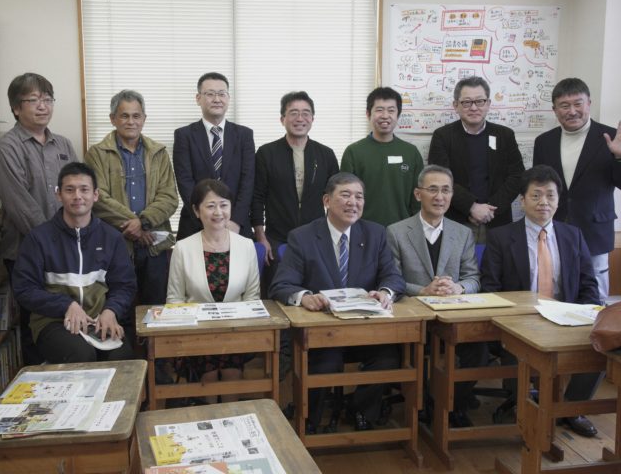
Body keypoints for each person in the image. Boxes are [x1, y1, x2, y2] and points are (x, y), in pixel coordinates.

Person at [270, 172, 405, 434]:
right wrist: (304, 297)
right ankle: (311, 418)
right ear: (326, 200)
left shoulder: (375, 233)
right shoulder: (303, 236)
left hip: (364, 330)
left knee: (388, 357)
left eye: (359, 196)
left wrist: (386, 292)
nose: (353, 202)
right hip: (323, 332)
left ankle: (359, 409)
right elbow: (281, 285)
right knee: (325, 362)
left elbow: (393, 276)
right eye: (345, 195)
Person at [481, 165, 602, 437]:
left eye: (550, 195)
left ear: (559, 201)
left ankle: (571, 408)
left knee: (602, 343)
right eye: (535, 195)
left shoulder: (573, 235)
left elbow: (588, 285)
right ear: (522, 201)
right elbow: (490, 288)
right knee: (516, 350)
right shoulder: (500, 237)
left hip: (567, 319)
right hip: (520, 323)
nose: (543, 202)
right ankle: (524, 404)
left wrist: (588, 315)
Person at [0, 72, 78, 365]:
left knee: (68, 322)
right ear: (16, 107)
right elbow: (21, 207)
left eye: (47, 99)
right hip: (28, 253)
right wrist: (55, 244)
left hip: (68, 248)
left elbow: (79, 190)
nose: (43, 106)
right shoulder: (7, 148)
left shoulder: (63, 144)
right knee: (36, 325)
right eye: (33, 100)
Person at [11, 162, 137, 364]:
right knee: (81, 355)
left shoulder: (112, 238)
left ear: (95, 195)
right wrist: (66, 305)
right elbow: (24, 289)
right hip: (53, 321)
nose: (77, 196)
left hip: (99, 319)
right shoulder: (38, 239)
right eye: (70, 190)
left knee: (121, 358)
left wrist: (111, 310)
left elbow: (125, 285)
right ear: (58, 194)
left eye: (84, 189)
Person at [386, 164, 481, 427]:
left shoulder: (463, 233)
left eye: (446, 190)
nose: (440, 197)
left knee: (479, 350)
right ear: (418, 194)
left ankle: (453, 404)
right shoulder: (396, 231)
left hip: (453, 316)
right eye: (433, 190)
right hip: (413, 317)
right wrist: (423, 291)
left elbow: (473, 278)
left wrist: (458, 288)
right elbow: (390, 280)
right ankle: (423, 404)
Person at [533, 77, 621, 303]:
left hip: (595, 231)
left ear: (589, 103)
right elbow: (538, 184)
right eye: (564, 105)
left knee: (595, 298)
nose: (572, 111)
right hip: (555, 229)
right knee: (556, 290)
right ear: (555, 109)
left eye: (578, 103)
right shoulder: (544, 141)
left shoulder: (611, 137)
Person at [166, 179, 260, 402]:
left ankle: (232, 422)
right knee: (207, 373)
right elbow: (175, 299)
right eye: (210, 206)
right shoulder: (182, 248)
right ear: (197, 211)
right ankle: (208, 418)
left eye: (224, 205)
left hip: (235, 330)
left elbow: (252, 297)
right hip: (197, 332)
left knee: (231, 372)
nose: (218, 212)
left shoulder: (246, 245)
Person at [85, 89, 178, 306]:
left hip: (154, 244)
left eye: (136, 116)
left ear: (144, 119)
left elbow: (169, 196)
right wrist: (136, 228)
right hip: (115, 243)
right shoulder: (97, 153)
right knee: (118, 306)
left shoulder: (159, 152)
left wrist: (143, 222)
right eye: (124, 116)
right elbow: (99, 199)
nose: (131, 122)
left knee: (156, 307)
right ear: (113, 119)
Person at [252, 91, 339, 290]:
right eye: (293, 113)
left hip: (316, 237)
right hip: (276, 238)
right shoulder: (267, 153)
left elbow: (335, 199)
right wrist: (261, 237)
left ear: (313, 119)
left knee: (317, 292)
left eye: (306, 113)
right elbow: (257, 197)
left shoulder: (325, 154)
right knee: (279, 291)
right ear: (282, 118)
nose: (300, 118)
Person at [428, 76, 524, 242]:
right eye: (466, 102)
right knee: (455, 267)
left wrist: (489, 210)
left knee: (497, 267)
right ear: (456, 106)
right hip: (457, 219)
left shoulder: (505, 135)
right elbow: (439, 178)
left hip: (497, 219)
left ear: (488, 104)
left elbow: (517, 176)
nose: (474, 107)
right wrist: (471, 207)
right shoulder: (443, 136)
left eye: (480, 101)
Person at [173, 72, 255, 240]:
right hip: (195, 225)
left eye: (221, 94)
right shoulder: (184, 136)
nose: (217, 99)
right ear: (198, 98)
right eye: (210, 94)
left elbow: (248, 182)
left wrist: (235, 221)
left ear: (228, 98)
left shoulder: (244, 135)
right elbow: (185, 182)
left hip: (236, 225)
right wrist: (205, 220)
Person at [340, 87, 423, 226]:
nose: (385, 115)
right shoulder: (354, 152)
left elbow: (419, 198)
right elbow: (346, 197)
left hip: (404, 230)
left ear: (398, 115)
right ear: (368, 114)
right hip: (363, 230)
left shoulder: (411, 152)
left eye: (391, 110)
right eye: (379, 110)